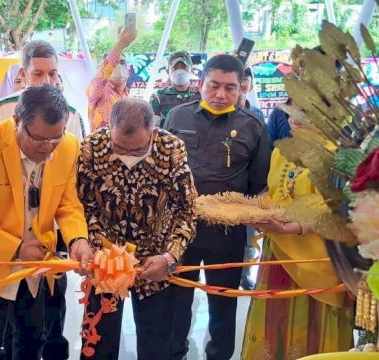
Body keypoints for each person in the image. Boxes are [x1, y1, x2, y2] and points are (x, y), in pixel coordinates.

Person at [0, 84, 93, 360]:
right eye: (40, 140)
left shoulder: (68, 147)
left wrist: (78, 239)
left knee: (30, 342)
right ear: (18, 121)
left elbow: (67, 203)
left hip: (37, 268)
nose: (49, 149)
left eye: (56, 138)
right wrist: (17, 248)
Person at [165, 54, 271, 360]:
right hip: (180, 229)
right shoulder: (177, 118)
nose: (221, 95)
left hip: (227, 232)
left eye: (230, 88)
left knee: (223, 303)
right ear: (201, 84)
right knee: (176, 299)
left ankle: (219, 355)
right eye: (214, 85)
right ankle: (175, 353)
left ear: (241, 90)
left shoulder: (253, 127)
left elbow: (257, 184)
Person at [77, 99, 197, 359]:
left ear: (153, 133)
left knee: (157, 345)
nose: (128, 155)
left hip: (154, 263)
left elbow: (186, 212)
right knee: (97, 343)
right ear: (108, 129)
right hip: (105, 263)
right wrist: (92, 248)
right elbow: (82, 206)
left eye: (138, 149)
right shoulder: (92, 147)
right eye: (119, 148)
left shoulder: (171, 149)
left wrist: (170, 258)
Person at [241, 118, 354, 358]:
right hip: (277, 257)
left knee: (315, 330)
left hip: (319, 263)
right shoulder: (282, 150)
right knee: (271, 324)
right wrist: (251, 207)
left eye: (304, 109)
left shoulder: (338, 158)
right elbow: (274, 193)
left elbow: (336, 213)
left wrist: (289, 228)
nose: (293, 117)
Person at [0, 40, 88, 141]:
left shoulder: (71, 114)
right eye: (38, 74)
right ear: (23, 74)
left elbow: (75, 154)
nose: (47, 82)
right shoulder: (2, 109)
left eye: (52, 74)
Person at [237, 67, 266, 291]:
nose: (243, 85)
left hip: (250, 189)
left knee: (249, 239)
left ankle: (246, 273)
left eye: (246, 82)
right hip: (225, 189)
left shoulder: (257, 116)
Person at [87, 25, 136, 131]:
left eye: (122, 62)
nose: (118, 66)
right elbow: (103, 74)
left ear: (128, 69)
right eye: (115, 63)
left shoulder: (129, 98)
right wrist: (120, 45)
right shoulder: (98, 91)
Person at [150, 51, 201, 129]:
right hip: (167, 140)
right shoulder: (158, 97)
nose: (180, 71)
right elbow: (154, 128)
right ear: (168, 72)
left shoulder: (200, 96)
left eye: (184, 67)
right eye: (175, 67)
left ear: (192, 70)